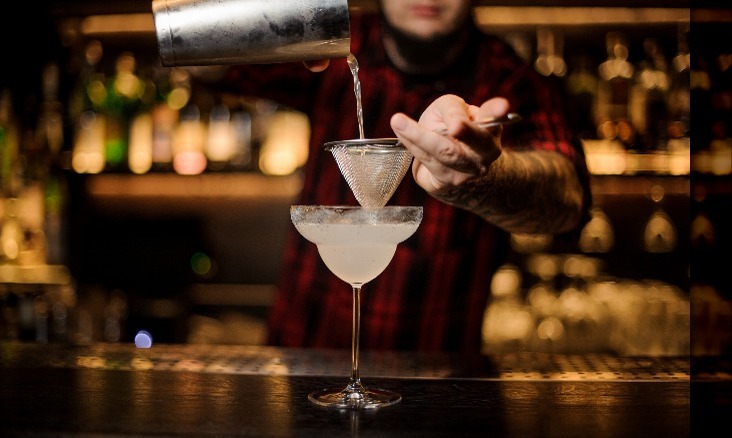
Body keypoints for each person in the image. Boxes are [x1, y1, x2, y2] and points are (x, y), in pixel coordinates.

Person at [215, 0, 591, 353]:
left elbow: (567, 199)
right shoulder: (331, 43)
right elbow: (209, 61)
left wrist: (484, 176)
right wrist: (263, 13)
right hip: (299, 362)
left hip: (437, 380)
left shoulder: (510, 81)